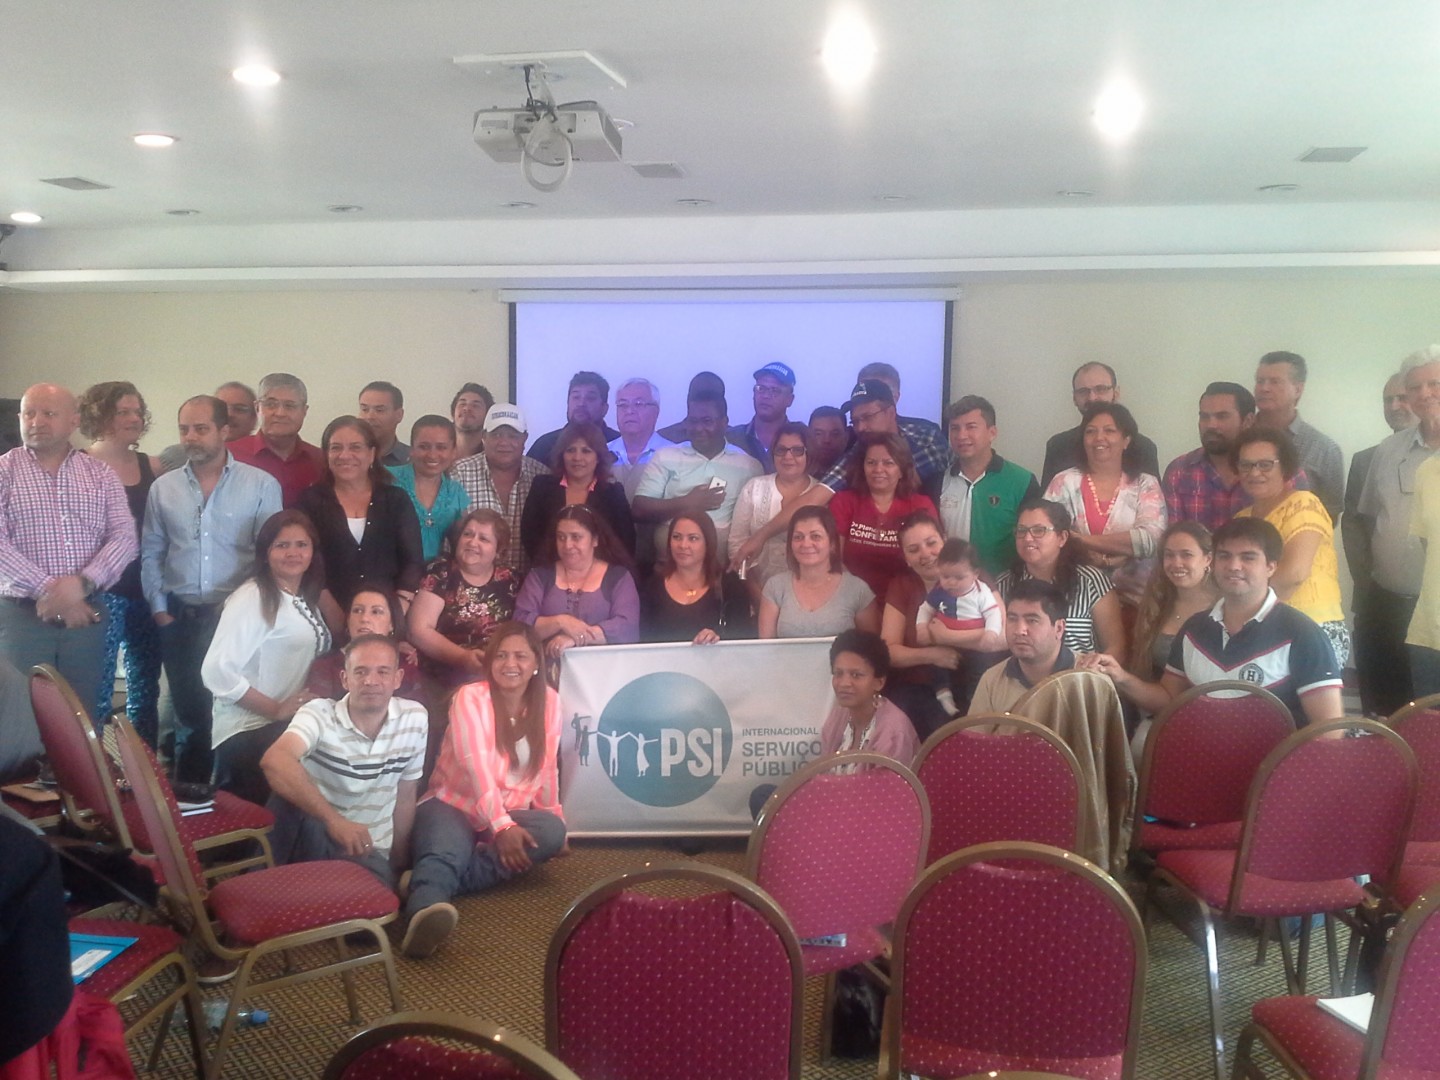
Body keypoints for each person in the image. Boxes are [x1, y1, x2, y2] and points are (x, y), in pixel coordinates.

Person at [401, 622, 566, 958]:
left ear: (536, 663)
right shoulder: (469, 697)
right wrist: (502, 827)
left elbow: (548, 767)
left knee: (550, 832)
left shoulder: (550, 701)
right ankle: (425, 913)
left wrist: (553, 815)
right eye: (501, 656)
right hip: (452, 802)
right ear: (490, 662)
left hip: (509, 810)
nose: (510, 664)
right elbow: (475, 765)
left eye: (520, 656)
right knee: (444, 851)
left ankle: (428, 881)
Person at [1082, 517, 1343, 726]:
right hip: (1202, 761)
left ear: (1271, 566)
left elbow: (1329, 730)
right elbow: (1169, 699)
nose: (1234, 566)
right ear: (1213, 561)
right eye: (1225, 556)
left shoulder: (1302, 634)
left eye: (1248, 557)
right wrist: (1120, 676)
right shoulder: (1194, 629)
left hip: (1273, 767)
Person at [142, 395, 282, 783]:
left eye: (201, 429)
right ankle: (190, 802)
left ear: (224, 431)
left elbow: (269, 555)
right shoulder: (163, 488)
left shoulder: (261, 484)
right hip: (181, 618)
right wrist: (160, 610)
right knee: (190, 718)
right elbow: (152, 550)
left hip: (238, 620)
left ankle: (232, 804)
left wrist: (245, 609)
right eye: (184, 429)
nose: (191, 437)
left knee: (236, 714)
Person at [0, 384, 136, 728]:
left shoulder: (100, 474)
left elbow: (124, 537)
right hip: (22, 618)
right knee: (20, 721)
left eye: (49, 413)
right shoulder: (4, 472)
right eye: (29, 413)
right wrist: (54, 592)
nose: (36, 422)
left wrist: (82, 585)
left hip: (85, 617)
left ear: (73, 420)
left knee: (80, 719)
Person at [260, 634, 426, 890]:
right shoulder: (318, 713)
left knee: (365, 902)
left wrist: (400, 860)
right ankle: (263, 891)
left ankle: (291, 894)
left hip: (367, 850)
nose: (371, 681)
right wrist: (334, 821)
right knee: (286, 798)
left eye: (383, 672)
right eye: (361, 672)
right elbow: (274, 760)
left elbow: (406, 794)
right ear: (345, 679)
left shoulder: (415, 718)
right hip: (317, 837)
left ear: (398, 678)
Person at [202, 509, 334, 805]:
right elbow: (216, 671)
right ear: (265, 553)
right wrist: (275, 709)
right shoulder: (254, 596)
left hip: (283, 731)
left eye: (301, 545)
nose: (293, 553)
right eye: (282, 545)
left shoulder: (301, 597)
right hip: (250, 732)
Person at [79, 380, 164, 740]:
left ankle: (145, 763)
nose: (133, 418)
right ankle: (94, 763)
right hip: (101, 592)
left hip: (145, 591)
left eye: (137, 411)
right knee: (96, 686)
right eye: (123, 411)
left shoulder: (153, 466)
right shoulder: (79, 464)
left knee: (145, 685)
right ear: (100, 415)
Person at [1349, 362, 1428, 715]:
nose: (1395, 405)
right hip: (1382, 599)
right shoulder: (1377, 455)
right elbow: (1360, 524)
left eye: (1402, 396)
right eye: (1388, 399)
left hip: (1432, 606)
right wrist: (1368, 583)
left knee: (1427, 704)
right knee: (1383, 701)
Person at [1233, 426, 1348, 665]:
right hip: (1259, 627)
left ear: (1285, 467)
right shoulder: (1241, 519)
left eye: (1265, 464)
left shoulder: (1304, 504)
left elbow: (1293, 574)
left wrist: (1242, 602)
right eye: (1246, 465)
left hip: (1312, 627)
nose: (1254, 472)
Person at [1043, 402, 1167, 604]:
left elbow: (1149, 540)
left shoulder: (1146, 483)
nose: (1099, 437)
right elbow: (1046, 536)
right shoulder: (1063, 482)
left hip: (1136, 601)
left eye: (1109, 430)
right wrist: (1121, 550)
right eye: (1090, 431)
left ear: (1126, 440)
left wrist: (1080, 540)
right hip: (1075, 599)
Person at [296, 415, 425, 608]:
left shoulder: (396, 500)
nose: (344, 455)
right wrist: (333, 614)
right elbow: (306, 563)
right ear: (326, 454)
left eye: (355, 447)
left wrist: (395, 612)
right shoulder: (310, 501)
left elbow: (413, 562)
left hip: (388, 612)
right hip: (324, 612)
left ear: (371, 454)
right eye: (336, 448)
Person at [633, 389, 763, 553]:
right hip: (669, 562)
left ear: (724, 423)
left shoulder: (749, 466)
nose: (698, 428)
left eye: (707, 421)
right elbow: (639, 509)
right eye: (693, 421)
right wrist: (687, 502)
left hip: (724, 564)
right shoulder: (665, 456)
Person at [515, 506, 640, 668]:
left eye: (576, 537)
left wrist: (576, 638)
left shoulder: (618, 577)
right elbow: (519, 624)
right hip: (544, 672)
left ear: (595, 540)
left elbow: (627, 628)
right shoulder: (540, 576)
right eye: (561, 537)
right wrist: (561, 622)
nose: (567, 545)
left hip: (604, 671)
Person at [407, 509, 519, 689]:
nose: (472, 542)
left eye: (483, 539)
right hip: (443, 678)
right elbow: (418, 630)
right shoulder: (441, 572)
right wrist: (463, 658)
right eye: (467, 534)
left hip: (498, 675)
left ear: (498, 550)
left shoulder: (511, 579)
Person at [996, 499, 1124, 656]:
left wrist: (1095, 670)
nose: (1027, 538)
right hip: (1020, 670)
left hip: (1081, 670)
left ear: (1062, 538)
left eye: (1039, 530)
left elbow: (1115, 647)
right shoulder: (1003, 585)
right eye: (1021, 531)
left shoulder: (1091, 581)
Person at [880, 512, 964, 738]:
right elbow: (889, 651)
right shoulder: (901, 586)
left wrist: (949, 639)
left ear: (945, 541)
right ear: (906, 558)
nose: (925, 554)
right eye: (914, 549)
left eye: (931, 543)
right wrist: (933, 656)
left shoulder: (971, 575)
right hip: (915, 686)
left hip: (967, 679)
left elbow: (998, 637)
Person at [937, 395, 1040, 577]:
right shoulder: (937, 483)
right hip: (951, 585)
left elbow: (1036, 540)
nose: (961, 436)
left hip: (1007, 585)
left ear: (992, 433)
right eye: (955, 428)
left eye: (971, 427)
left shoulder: (1022, 481)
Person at [829, 431, 939, 599]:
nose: (878, 469)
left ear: (902, 470)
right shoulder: (843, 501)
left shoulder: (920, 505)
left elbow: (930, 560)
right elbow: (834, 559)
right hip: (851, 596)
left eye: (888, 463)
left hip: (907, 596)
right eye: (871, 462)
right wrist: (861, 599)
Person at [728, 421, 828, 597]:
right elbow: (736, 545)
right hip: (755, 591)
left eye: (797, 450)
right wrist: (757, 594)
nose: (788, 456)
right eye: (781, 450)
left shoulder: (822, 493)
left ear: (809, 453)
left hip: (809, 595)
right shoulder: (754, 488)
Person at [449, 403, 548, 576]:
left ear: (525, 438)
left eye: (513, 436)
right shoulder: (459, 473)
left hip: (530, 583)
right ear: (483, 436)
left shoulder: (542, 476)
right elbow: (449, 537)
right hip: (474, 583)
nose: (504, 442)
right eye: (496, 435)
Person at [520, 421, 636, 564]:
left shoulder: (613, 494)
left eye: (586, 451)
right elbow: (529, 535)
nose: (577, 457)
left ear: (598, 457)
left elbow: (625, 544)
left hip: (600, 574)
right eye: (570, 450)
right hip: (549, 571)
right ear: (562, 455)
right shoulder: (542, 487)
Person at [758, 505, 878, 638]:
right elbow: (766, 647)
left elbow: (871, 647)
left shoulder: (858, 590)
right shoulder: (775, 587)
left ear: (832, 543)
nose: (806, 544)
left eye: (815, 536)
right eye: (798, 537)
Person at [915, 538, 1004, 715]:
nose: (951, 583)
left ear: (975, 573)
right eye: (945, 576)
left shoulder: (982, 592)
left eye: (959, 577)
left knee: (981, 668)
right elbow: (924, 609)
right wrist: (921, 628)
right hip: (945, 644)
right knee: (937, 664)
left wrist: (991, 633)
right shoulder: (939, 591)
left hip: (974, 645)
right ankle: (944, 696)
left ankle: (976, 702)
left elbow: (994, 614)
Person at [1253, 350, 1345, 521]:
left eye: (1274, 382)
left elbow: (1329, 513)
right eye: (1260, 381)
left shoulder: (1325, 449)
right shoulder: (1238, 437)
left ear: (1298, 389)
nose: (1264, 388)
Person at [820, 379, 948, 497]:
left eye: (867, 417)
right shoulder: (858, 449)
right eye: (855, 421)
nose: (860, 427)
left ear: (891, 413)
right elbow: (824, 489)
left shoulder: (925, 439)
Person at [1041, 362, 1161, 487]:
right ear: (1074, 398)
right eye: (1083, 391)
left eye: (1100, 389)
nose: (1092, 398)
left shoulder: (1143, 448)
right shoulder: (1058, 447)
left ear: (1116, 393)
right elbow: (1048, 500)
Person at [1127, 522, 1219, 683]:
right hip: (1157, 694)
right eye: (1169, 555)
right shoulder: (1157, 600)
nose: (1176, 563)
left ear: (1208, 559)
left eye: (1186, 555)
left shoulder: (1225, 606)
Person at [640, 513, 754, 643]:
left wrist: (718, 640)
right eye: (676, 537)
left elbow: (743, 639)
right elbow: (644, 641)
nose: (683, 545)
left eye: (693, 538)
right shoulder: (653, 586)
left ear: (708, 543)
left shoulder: (730, 585)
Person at [970, 580, 1078, 714]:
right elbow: (976, 728)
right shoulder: (992, 680)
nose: (1019, 630)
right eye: (1012, 619)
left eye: (1032, 620)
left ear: (1059, 628)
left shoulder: (1089, 675)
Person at [1162, 382, 1258, 532]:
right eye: (1204, 417)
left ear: (1248, 421)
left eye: (1222, 416)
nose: (1211, 425)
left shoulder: (1271, 471)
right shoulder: (1179, 471)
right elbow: (1175, 539)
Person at [820, 628, 919, 763]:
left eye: (856, 675)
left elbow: (888, 778)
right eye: (838, 673)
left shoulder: (894, 732)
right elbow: (824, 771)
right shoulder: (837, 716)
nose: (844, 683)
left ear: (879, 682)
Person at [305, 587, 422, 700]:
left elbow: (415, 711)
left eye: (376, 612)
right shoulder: (326, 664)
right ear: (348, 619)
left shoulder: (405, 662)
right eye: (357, 610)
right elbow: (316, 709)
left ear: (391, 623)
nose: (365, 618)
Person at [229, 372, 325, 507]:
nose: (280, 413)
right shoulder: (230, 456)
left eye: (290, 406)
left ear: (304, 411)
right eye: (271, 404)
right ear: (257, 408)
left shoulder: (320, 460)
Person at [387, 415, 470, 562]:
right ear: (411, 449)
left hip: (435, 573)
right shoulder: (387, 479)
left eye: (441, 447)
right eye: (424, 447)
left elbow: (460, 544)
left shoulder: (456, 492)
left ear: (453, 452)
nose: (432, 455)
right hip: (389, 571)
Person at [856, 361, 946, 469]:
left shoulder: (926, 438)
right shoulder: (856, 442)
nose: (861, 427)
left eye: (878, 392)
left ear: (895, 398)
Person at [157, 380, 259, 472]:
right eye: (221, 408)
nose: (229, 414)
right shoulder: (177, 455)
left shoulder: (262, 460)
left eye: (239, 409)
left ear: (254, 418)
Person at [526, 371, 621, 466]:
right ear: (568, 403)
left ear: (604, 408)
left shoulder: (619, 444)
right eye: (576, 397)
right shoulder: (544, 446)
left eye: (590, 398)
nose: (581, 403)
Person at [607, 378, 673, 499]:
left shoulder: (672, 454)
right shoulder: (603, 453)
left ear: (656, 411)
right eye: (622, 405)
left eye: (638, 404)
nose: (629, 411)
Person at [728, 361, 796, 473]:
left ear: (790, 400)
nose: (765, 396)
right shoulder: (730, 439)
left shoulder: (802, 443)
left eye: (775, 391)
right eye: (761, 389)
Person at [657, 371, 725, 443]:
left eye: (710, 397)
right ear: (688, 400)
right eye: (698, 397)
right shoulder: (663, 439)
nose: (704, 403)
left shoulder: (731, 439)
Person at [358, 380, 409, 466]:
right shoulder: (346, 457)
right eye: (364, 409)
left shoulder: (413, 460)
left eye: (379, 410)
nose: (369, 417)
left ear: (399, 415)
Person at [450, 383, 494, 461]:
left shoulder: (492, 456)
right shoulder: (438, 449)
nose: (467, 408)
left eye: (475, 405)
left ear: (487, 415)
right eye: (462, 404)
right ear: (453, 412)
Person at [807, 405, 849, 480]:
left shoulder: (858, 474)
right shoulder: (793, 470)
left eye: (835, 434)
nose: (827, 440)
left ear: (846, 437)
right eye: (819, 434)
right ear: (807, 436)